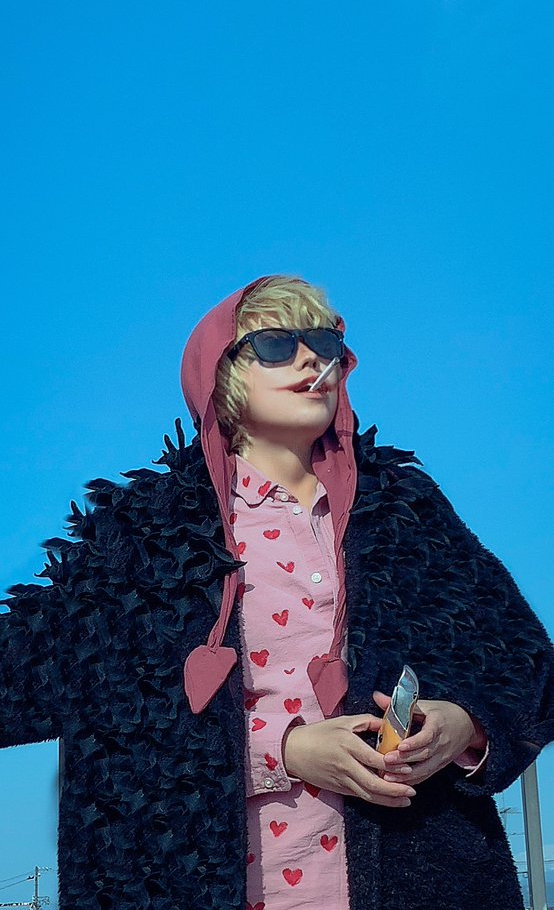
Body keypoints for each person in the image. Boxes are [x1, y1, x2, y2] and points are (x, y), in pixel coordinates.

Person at [1, 273, 553, 910]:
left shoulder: (407, 511)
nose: (311, 359)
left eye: (324, 342)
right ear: (220, 372)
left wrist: (464, 725)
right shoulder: (143, 538)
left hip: (427, 878)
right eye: (276, 344)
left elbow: (528, 668)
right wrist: (283, 750)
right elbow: (75, 700)